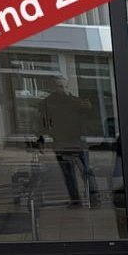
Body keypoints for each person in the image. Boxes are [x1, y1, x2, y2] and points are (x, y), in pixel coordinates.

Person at [38, 78, 99, 208]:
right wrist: (41, 137)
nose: (63, 89)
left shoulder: (74, 101)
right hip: (61, 142)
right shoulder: (49, 103)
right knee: (69, 173)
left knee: (85, 170)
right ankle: (77, 200)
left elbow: (88, 111)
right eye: (60, 86)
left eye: (64, 86)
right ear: (55, 87)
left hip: (76, 141)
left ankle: (93, 197)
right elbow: (42, 122)